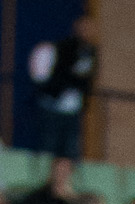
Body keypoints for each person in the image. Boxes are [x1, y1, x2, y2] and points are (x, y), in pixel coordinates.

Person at [33, 15, 100, 160]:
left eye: (90, 29)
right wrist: (75, 78)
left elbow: (88, 78)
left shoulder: (92, 51)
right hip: (54, 103)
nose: (87, 32)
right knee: (50, 144)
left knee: (71, 147)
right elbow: (62, 73)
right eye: (84, 28)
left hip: (74, 107)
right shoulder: (65, 47)